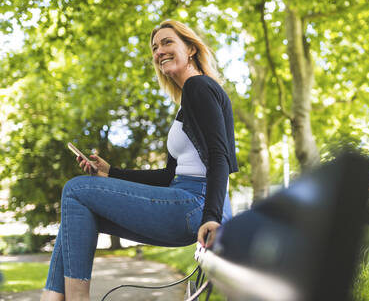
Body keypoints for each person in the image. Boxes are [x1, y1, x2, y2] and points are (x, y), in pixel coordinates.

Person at [41, 20, 238, 301]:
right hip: (184, 200)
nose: (159, 51)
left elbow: (221, 157)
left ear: (191, 48)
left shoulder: (199, 86)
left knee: (75, 190)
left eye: (168, 42)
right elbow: (167, 177)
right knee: (80, 209)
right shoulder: (187, 102)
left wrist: (212, 217)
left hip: (198, 205)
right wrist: (111, 172)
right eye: (155, 47)